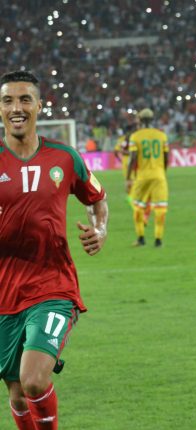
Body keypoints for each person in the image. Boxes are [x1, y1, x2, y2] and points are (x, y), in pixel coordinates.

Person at [0, 70, 108, 430]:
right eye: (8, 100)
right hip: (4, 291)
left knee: (33, 379)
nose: (16, 107)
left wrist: (100, 229)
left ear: (39, 106)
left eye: (24, 99)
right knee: (17, 393)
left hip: (53, 286)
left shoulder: (64, 157)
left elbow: (97, 198)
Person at [127, 108, 169, 246]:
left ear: (139, 120)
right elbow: (166, 157)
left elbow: (133, 158)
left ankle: (141, 237)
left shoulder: (135, 136)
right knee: (160, 209)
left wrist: (128, 178)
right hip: (159, 175)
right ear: (152, 120)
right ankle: (158, 239)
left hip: (142, 176)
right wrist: (163, 172)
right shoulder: (162, 136)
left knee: (137, 206)